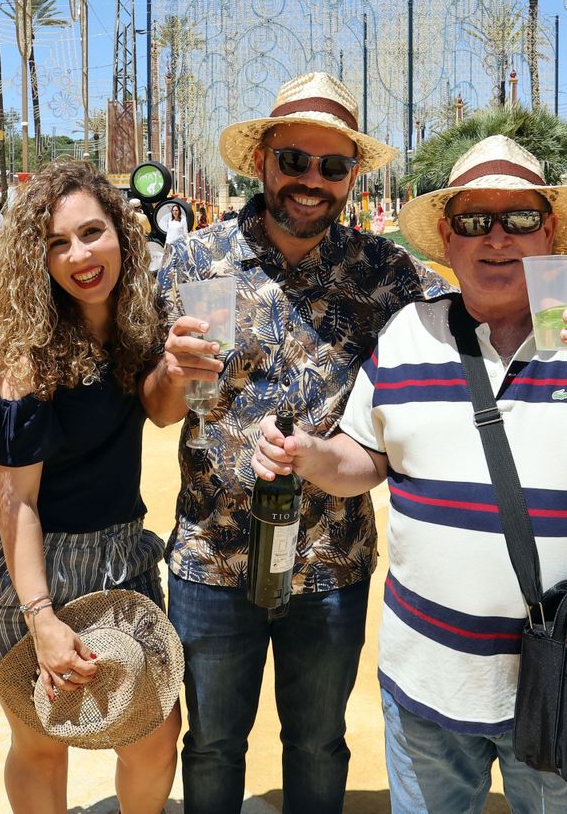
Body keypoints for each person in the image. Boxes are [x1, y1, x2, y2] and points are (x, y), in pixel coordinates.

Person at [251, 135, 567, 814]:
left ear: (549, 233)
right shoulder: (407, 334)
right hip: (427, 681)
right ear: (447, 237)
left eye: (520, 218)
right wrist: (312, 457)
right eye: (474, 220)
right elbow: (365, 460)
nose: (497, 237)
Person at [141, 72, 449, 814]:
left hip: (330, 562)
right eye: (294, 161)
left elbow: (486, 304)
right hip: (212, 558)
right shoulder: (193, 262)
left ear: (351, 177)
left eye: (332, 165)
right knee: (212, 744)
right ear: (262, 162)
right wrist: (172, 374)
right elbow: (157, 409)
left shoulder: (386, 273)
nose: (312, 180)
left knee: (318, 744)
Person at [0, 160, 180, 812]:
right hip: (27, 575)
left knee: (154, 733)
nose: (80, 256)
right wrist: (43, 619)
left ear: (122, 231)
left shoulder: (138, 322)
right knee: (41, 743)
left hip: (120, 557)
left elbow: (162, 411)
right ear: (38, 259)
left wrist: (181, 368)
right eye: (57, 243)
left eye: (91, 232)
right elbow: (16, 502)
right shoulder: (26, 356)